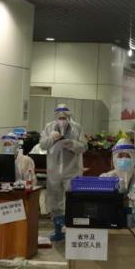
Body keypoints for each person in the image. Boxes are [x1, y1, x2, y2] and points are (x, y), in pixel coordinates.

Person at [41, 103, 87, 242]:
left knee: (72, 200)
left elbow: (84, 146)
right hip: (54, 170)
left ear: (69, 117)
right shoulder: (49, 127)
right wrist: (51, 138)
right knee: (55, 201)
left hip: (72, 170)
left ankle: (72, 230)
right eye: (60, 117)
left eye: (64, 117)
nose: (62, 120)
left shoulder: (77, 128)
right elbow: (42, 145)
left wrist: (71, 143)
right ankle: (58, 231)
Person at [100, 137, 135, 208]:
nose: (124, 159)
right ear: (115, 159)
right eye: (120, 156)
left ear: (133, 158)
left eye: (127, 156)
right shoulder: (106, 178)